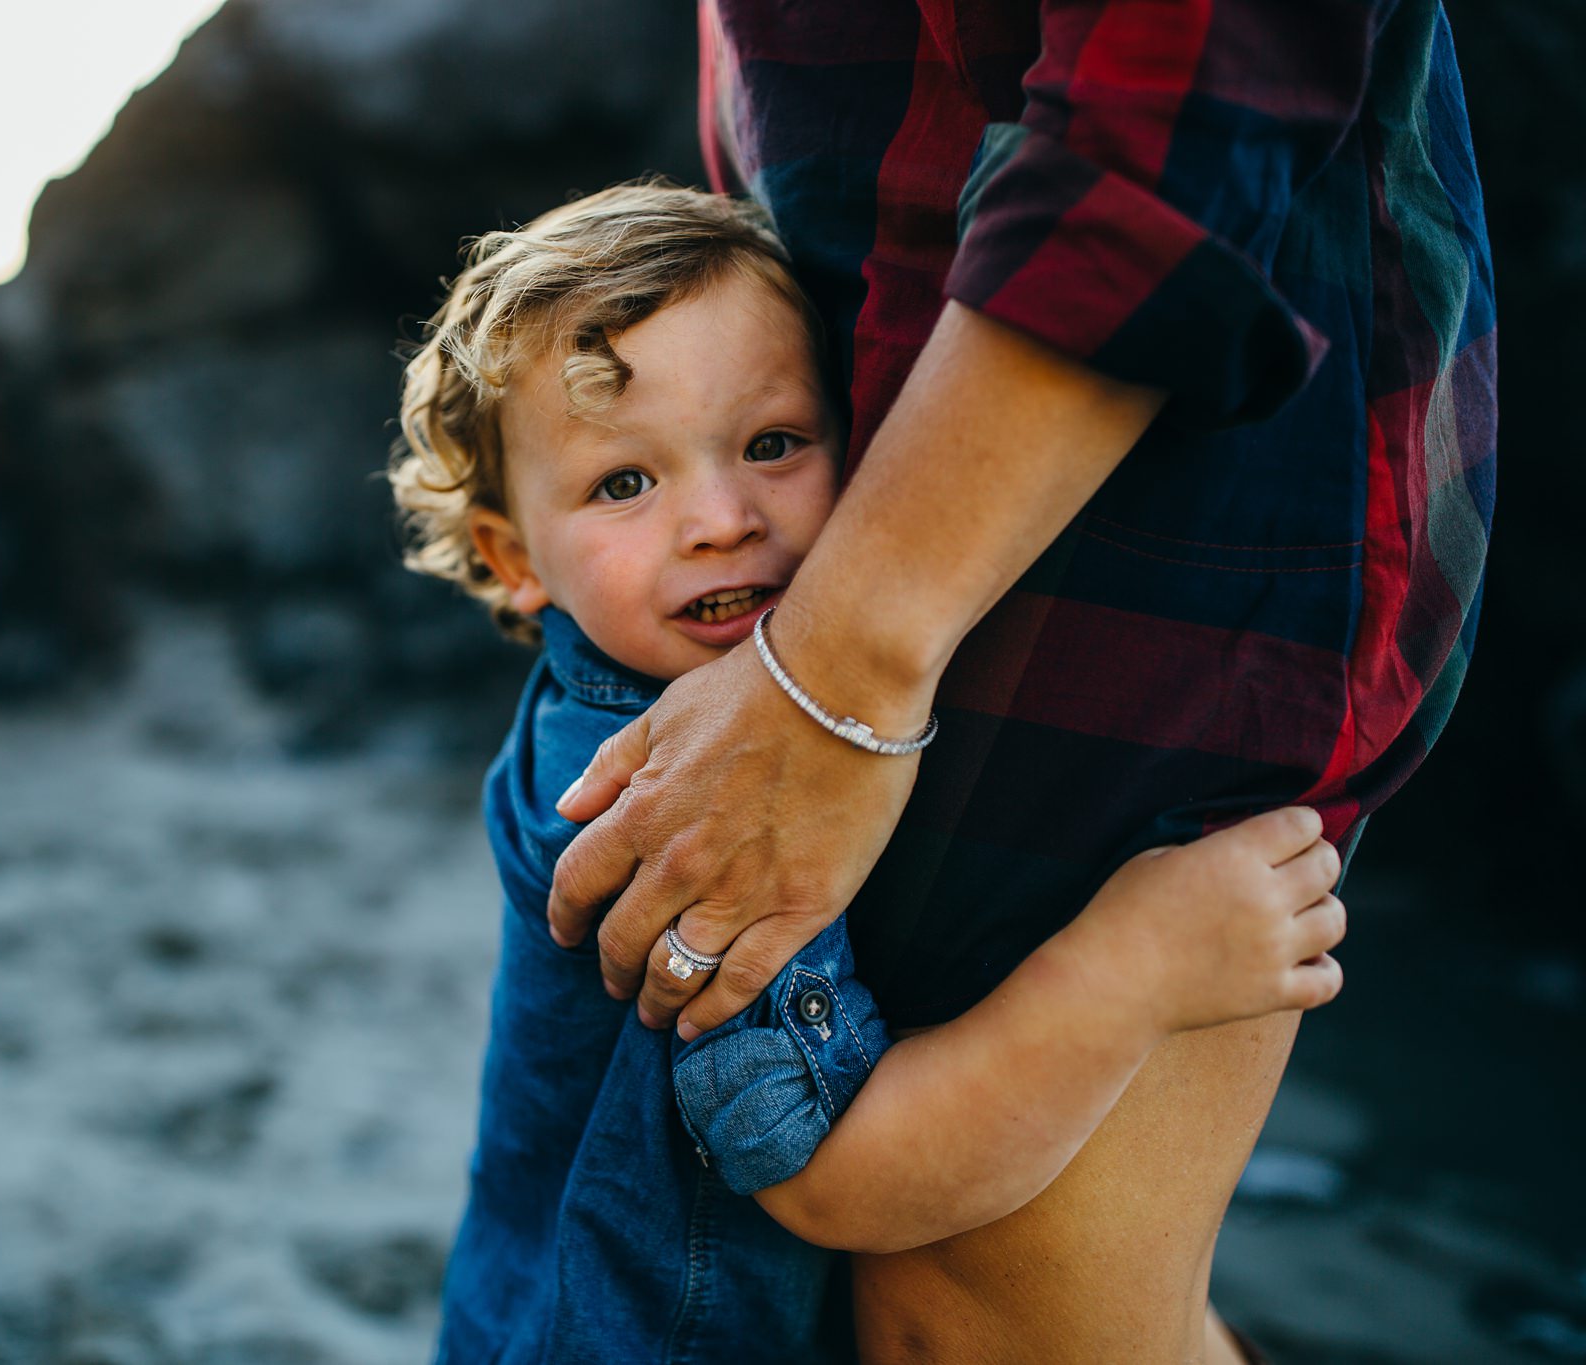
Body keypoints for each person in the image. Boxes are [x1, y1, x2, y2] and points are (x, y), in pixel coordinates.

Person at [546, 3, 1495, 1361]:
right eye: (627, 480)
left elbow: (1187, 95)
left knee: (989, 1313)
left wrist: (843, 666)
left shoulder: (611, 707)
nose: (702, 516)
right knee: (1051, 1308)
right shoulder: (602, 736)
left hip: (1128, 470)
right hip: (897, 456)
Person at [392, 182, 1348, 1363]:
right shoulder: (650, 804)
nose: (720, 517)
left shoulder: (626, 681)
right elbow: (840, 1186)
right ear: (506, 554)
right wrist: (1132, 975)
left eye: (772, 443)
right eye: (624, 483)